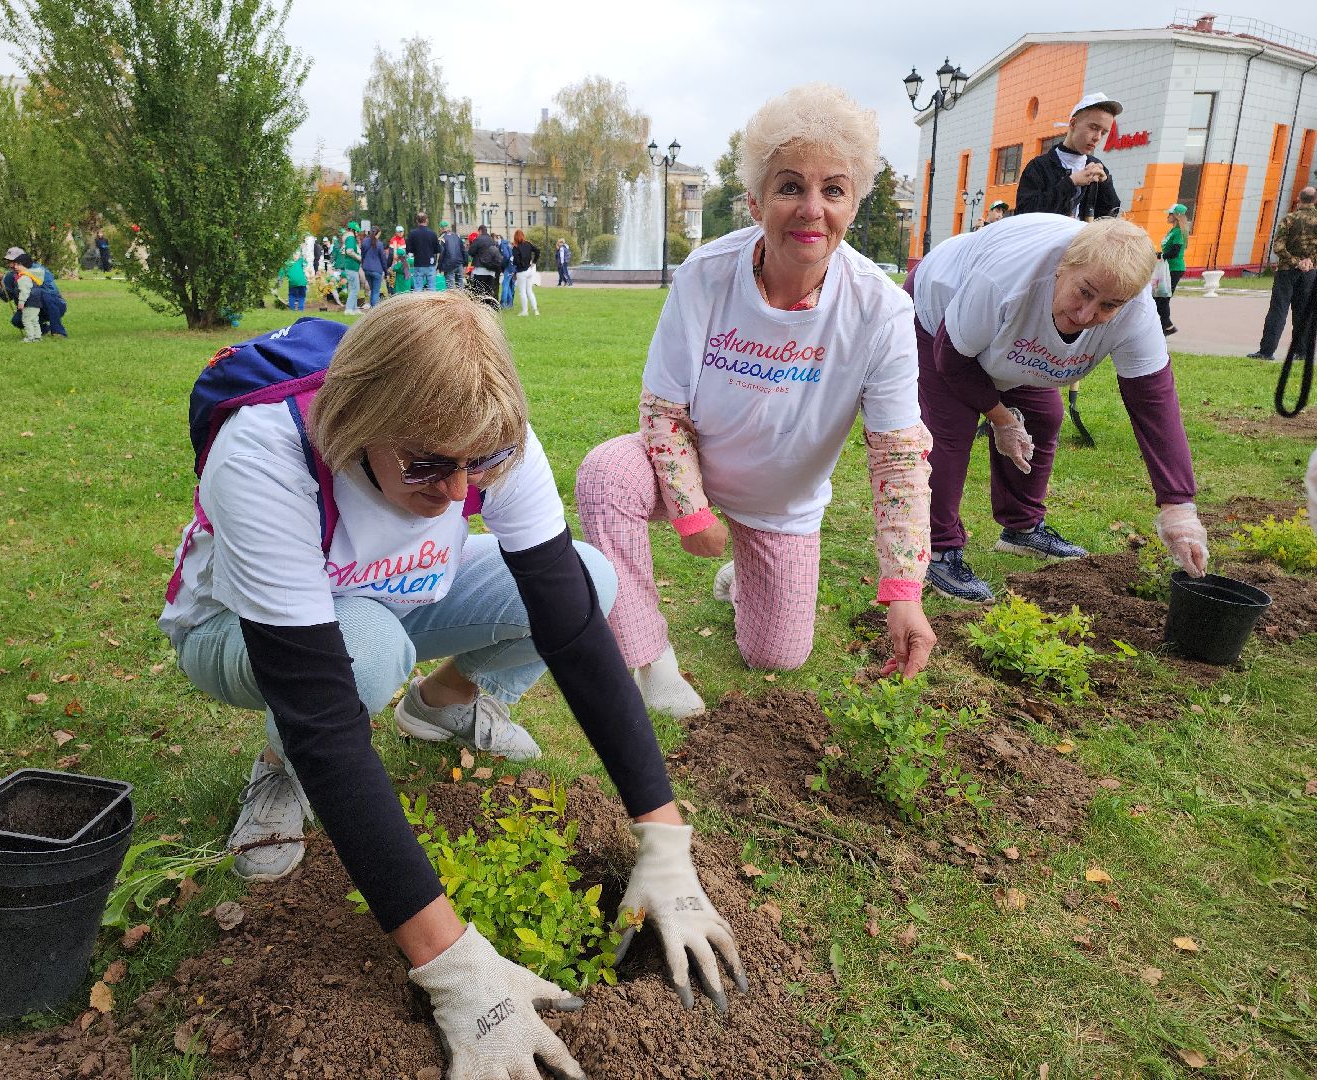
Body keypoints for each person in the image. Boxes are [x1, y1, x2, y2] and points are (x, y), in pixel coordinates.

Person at [159, 291, 747, 1077]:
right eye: (428, 465)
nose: (455, 492)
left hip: (397, 594)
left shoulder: (487, 438)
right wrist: (455, 968)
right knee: (362, 656)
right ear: (355, 423)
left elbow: (569, 629)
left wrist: (665, 840)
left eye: (480, 465)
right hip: (232, 627)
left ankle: (441, 706)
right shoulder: (265, 450)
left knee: (588, 579)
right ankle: (277, 773)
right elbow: (323, 713)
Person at [575, 83, 936, 719]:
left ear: (854, 203)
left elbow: (899, 458)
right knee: (606, 477)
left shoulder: (881, 310)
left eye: (833, 190)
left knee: (778, 655)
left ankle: (746, 576)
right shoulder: (706, 275)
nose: (811, 209)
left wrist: (903, 587)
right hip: (693, 471)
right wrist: (691, 511)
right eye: (790, 186)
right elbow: (663, 411)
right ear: (755, 199)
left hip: (782, 503)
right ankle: (649, 660)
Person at [909, 213, 1209, 603]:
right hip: (939, 315)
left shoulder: (1136, 313)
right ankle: (937, 549)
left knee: (1044, 417)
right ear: (1062, 266)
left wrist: (1178, 508)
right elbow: (953, 361)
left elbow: (1154, 404)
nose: (1087, 316)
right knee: (952, 431)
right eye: (1084, 292)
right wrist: (1000, 417)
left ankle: (1022, 527)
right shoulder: (1004, 280)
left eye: (1108, 305)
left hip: (1013, 338)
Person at [1015, 93, 1122, 220]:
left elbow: (1110, 217)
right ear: (1073, 124)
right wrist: (1071, 183)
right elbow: (1024, 214)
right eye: (1094, 128)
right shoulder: (1039, 166)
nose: (1097, 137)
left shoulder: (1097, 168)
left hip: (1081, 240)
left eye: (1103, 133)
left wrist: (1105, 184)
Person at [1249, 186, 1317, 361]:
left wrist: (1296, 262)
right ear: (1315, 200)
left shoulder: (1289, 219)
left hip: (1287, 272)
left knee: (1278, 311)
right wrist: (1309, 261)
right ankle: (1302, 351)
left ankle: (1267, 350)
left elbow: (1278, 247)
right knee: (1304, 311)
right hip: (1310, 273)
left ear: (1298, 199)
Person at [1154, 203, 1189, 336]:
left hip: (1174, 268)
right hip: (1166, 268)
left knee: (1163, 298)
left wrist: (1160, 255)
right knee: (1159, 297)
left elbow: (1175, 252)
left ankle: (1167, 326)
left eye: (1170, 214)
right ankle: (1164, 325)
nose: (1167, 216)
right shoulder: (1173, 231)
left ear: (1176, 216)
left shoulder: (1179, 232)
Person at [467, 225, 502, 305]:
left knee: (479, 292)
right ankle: (489, 308)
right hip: (491, 271)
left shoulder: (478, 239)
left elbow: (471, 252)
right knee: (489, 292)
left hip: (480, 270)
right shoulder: (492, 240)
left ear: (479, 231)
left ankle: (480, 308)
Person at [407, 212, 440, 291]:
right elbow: (437, 250)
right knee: (432, 287)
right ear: (427, 220)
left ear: (417, 221)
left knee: (418, 287)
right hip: (430, 263)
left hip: (418, 263)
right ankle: (431, 302)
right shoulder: (433, 234)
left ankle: (418, 303)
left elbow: (409, 250)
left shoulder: (412, 234)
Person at [511, 229, 541, 316]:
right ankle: (535, 310)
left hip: (521, 272)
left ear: (515, 238)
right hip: (529, 270)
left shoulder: (515, 248)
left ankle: (525, 311)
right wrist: (534, 262)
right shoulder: (528, 244)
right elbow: (537, 251)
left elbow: (515, 261)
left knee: (522, 292)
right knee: (529, 291)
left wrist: (517, 266)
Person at [339, 222, 365, 316]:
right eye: (357, 231)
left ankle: (354, 308)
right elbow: (349, 251)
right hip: (351, 267)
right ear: (352, 230)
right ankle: (349, 309)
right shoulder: (350, 238)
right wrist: (359, 258)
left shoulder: (349, 238)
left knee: (354, 288)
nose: (357, 233)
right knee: (355, 289)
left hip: (352, 267)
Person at [361, 226, 390, 309]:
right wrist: (386, 272)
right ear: (378, 234)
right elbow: (383, 260)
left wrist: (363, 266)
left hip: (367, 269)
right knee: (376, 291)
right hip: (377, 270)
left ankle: (371, 307)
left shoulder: (364, 242)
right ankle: (374, 309)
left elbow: (362, 256)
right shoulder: (380, 244)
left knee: (372, 289)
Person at [437, 220, 466, 290]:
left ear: (441, 228)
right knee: (460, 285)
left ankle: (452, 300)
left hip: (448, 265)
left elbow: (441, 254)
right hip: (459, 263)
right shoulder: (457, 236)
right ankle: (461, 300)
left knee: (450, 288)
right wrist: (465, 263)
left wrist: (439, 267)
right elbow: (463, 250)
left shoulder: (442, 238)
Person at [499, 232, 516, 309]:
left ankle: (503, 303)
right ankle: (510, 303)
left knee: (505, 284)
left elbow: (506, 256)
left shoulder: (503, 244)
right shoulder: (507, 244)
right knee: (507, 284)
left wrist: (503, 265)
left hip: (508, 267)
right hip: (511, 267)